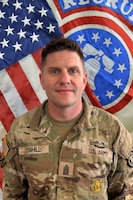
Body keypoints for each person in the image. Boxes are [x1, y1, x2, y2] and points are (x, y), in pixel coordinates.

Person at [0, 38, 133, 200]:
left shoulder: (113, 130)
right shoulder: (20, 130)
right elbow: (13, 195)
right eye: (55, 71)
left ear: (84, 80)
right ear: (42, 80)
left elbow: (125, 194)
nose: (64, 79)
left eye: (73, 71)